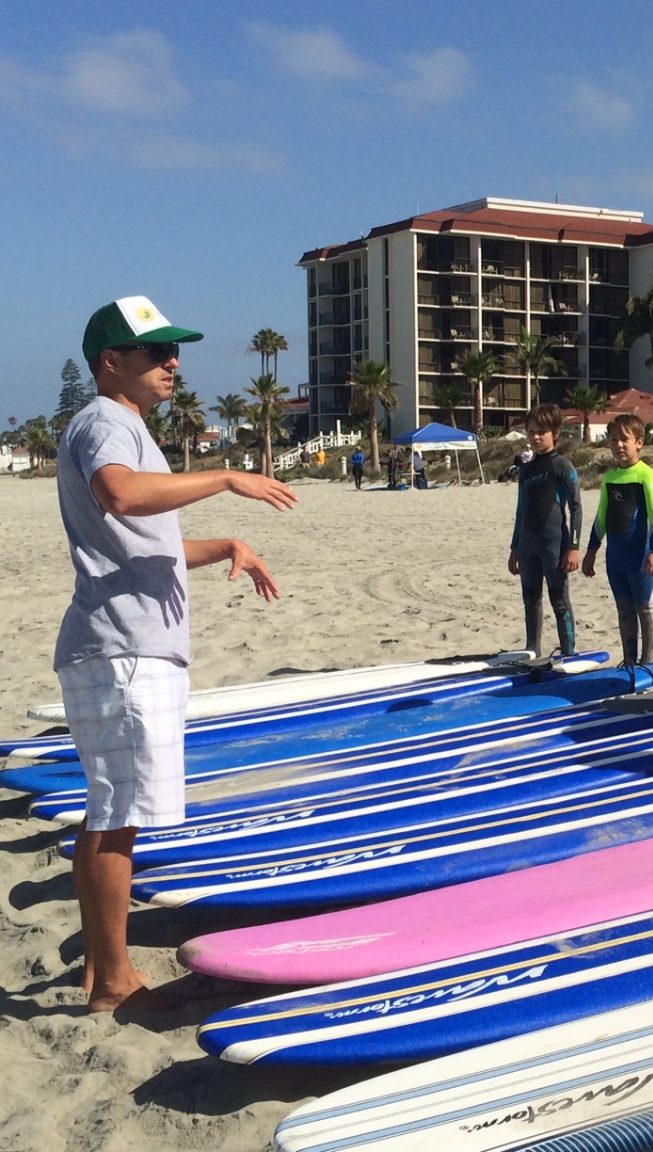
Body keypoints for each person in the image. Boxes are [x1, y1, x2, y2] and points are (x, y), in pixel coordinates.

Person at [58, 296, 296, 1013]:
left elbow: (142, 538)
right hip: (122, 647)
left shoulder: (123, 425)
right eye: (154, 353)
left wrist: (222, 544)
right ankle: (115, 979)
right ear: (111, 363)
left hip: (126, 644)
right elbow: (122, 496)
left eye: (174, 350)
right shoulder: (105, 421)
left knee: (115, 811)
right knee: (115, 813)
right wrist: (226, 477)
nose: (173, 363)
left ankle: (106, 972)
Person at [582, 413, 653, 665]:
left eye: (624, 439)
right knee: (624, 609)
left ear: (639, 442)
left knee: (646, 608)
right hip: (615, 557)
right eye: (613, 439)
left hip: (640, 556)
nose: (618, 445)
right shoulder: (610, 478)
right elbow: (601, 518)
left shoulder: (646, 475)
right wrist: (591, 550)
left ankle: (648, 661)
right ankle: (629, 660)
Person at [509, 403, 581, 656]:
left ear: (556, 433)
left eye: (541, 432)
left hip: (554, 545)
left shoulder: (562, 466)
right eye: (531, 432)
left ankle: (569, 652)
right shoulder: (526, 469)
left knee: (559, 601)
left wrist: (573, 547)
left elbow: (576, 508)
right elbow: (520, 510)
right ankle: (532, 649)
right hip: (528, 545)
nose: (536, 437)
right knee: (530, 599)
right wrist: (514, 548)